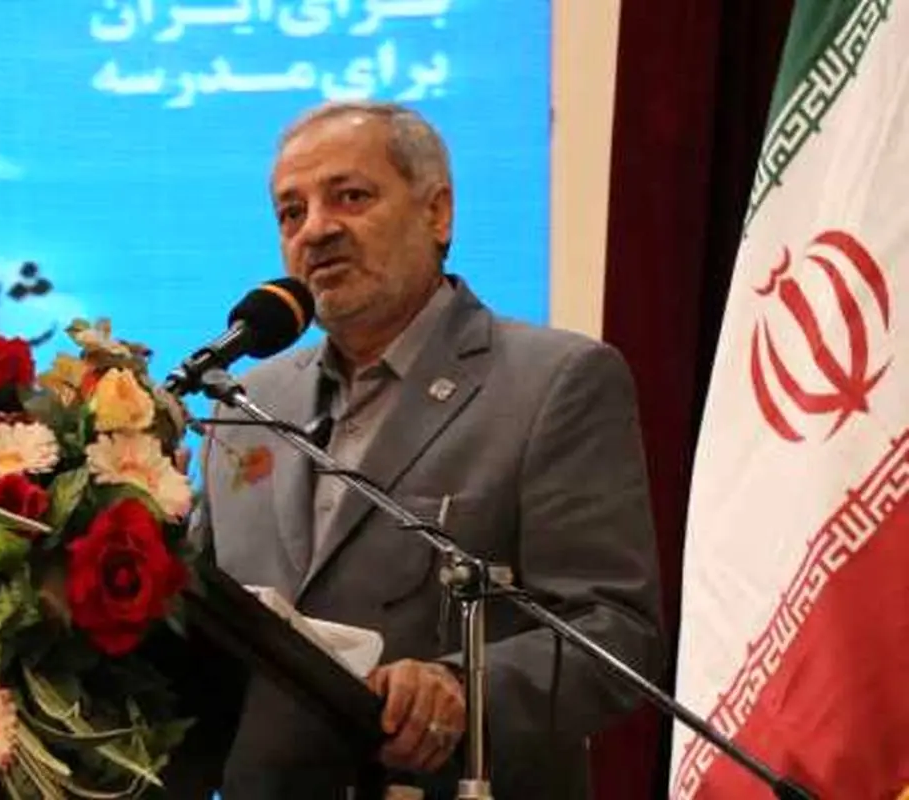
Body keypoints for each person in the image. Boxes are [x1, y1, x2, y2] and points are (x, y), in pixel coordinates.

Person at [189, 100, 664, 799]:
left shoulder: (554, 382)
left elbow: (615, 632)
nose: (316, 229)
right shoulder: (247, 400)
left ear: (437, 213)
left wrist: (461, 687)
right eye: (292, 212)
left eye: (351, 196)